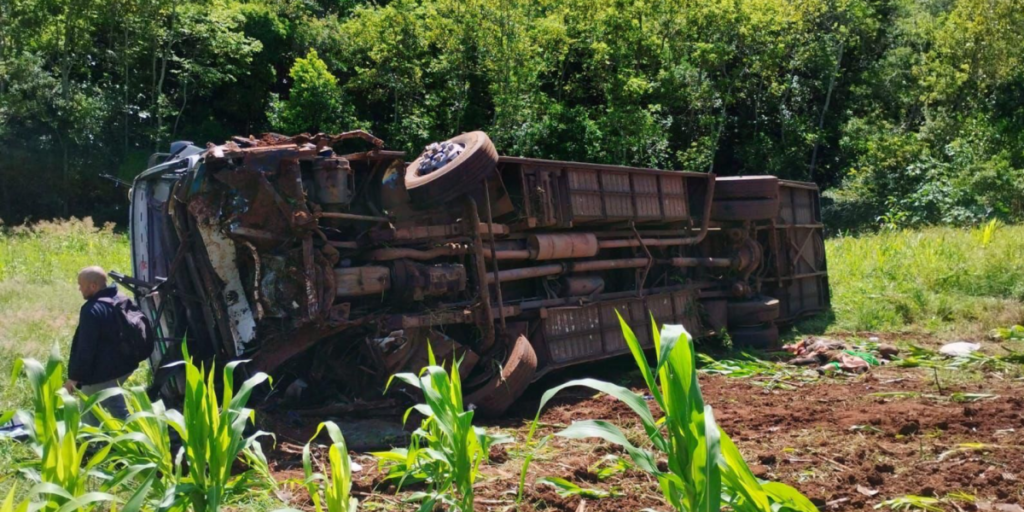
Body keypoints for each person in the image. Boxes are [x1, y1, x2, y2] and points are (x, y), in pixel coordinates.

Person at [64, 266, 138, 423]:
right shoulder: (119, 298)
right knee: (118, 408)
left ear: (93, 286)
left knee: (89, 415)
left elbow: (86, 348)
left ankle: (94, 446)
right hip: (123, 368)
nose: (79, 289)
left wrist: (74, 379)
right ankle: (139, 440)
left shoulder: (92, 310)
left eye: (81, 285)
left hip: (102, 374)